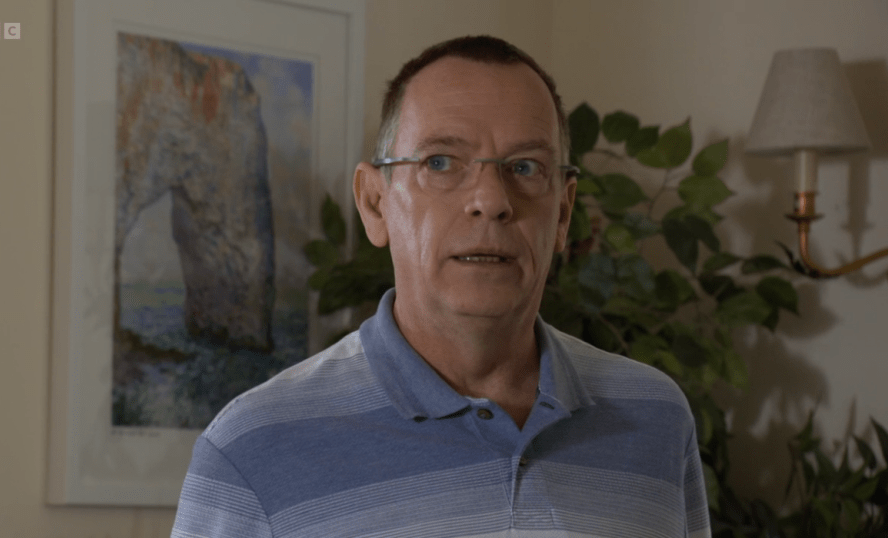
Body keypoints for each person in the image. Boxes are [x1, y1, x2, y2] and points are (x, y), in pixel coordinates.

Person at [171, 35, 711, 538]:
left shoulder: (657, 418)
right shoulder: (251, 450)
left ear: (564, 213)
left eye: (525, 167)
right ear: (375, 204)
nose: (492, 200)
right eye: (440, 162)